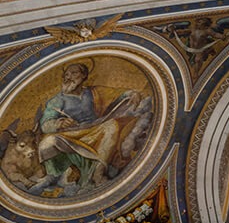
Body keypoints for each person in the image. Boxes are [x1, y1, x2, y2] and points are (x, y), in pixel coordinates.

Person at [31, 62, 151, 194]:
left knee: (111, 126)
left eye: (74, 73)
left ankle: (99, 171)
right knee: (47, 143)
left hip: (97, 129)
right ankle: (55, 176)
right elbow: (45, 124)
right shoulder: (57, 101)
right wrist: (59, 123)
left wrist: (131, 93)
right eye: (66, 74)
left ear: (84, 76)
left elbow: (117, 95)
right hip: (71, 135)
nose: (69, 77)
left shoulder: (94, 92)